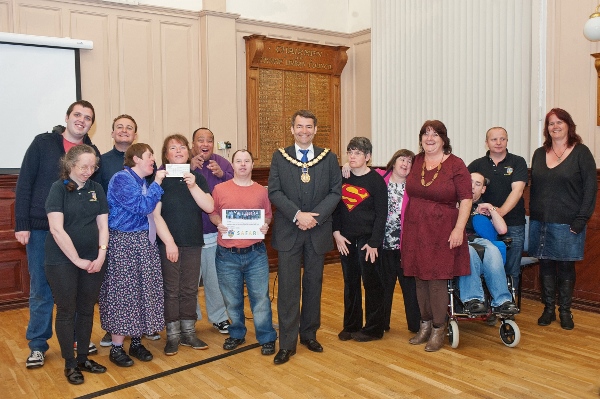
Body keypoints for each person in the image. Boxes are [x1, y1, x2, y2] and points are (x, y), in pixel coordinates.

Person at [15, 100, 100, 369]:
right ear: (67, 117)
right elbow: (25, 182)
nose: (82, 120)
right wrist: (22, 223)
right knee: (41, 289)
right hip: (42, 229)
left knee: (75, 292)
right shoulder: (43, 143)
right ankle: (38, 345)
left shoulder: (91, 151)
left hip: (79, 233)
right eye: (77, 114)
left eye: (87, 117)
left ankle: (76, 339)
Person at [268, 109, 342, 364]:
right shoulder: (280, 157)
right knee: (288, 288)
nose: (304, 131)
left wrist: (315, 217)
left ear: (315, 130)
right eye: (299, 126)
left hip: (317, 230)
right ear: (292, 129)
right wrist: (298, 215)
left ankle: (309, 334)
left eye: (308, 127)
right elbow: (275, 192)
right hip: (290, 230)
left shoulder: (328, 158)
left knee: (314, 285)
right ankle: (286, 343)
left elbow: (335, 192)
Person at [401, 120, 472, 352]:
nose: (429, 138)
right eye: (425, 134)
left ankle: (439, 329)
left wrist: (459, 229)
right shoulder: (417, 160)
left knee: (437, 280)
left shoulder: (456, 164)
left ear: (444, 138)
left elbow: (466, 199)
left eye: (435, 134)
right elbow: (392, 170)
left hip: (443, 230)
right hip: (415, 228)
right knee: (419, 278)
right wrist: (348, 169)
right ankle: (425, 324)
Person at [44, 145, 109, 385]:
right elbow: (56, 229)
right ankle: (70, 364)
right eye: (83, 166)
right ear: (71, 165)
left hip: (93, 260)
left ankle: (83, 358)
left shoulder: (97, 189)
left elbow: (103, 226)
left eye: (93, 167)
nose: (88, 171)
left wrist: (101, 256)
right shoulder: (57, 189)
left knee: (85, 309)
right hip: (62, 261)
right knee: (66, 310)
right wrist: (77, 260)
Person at [99, 143, 167, 367]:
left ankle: (136, 342)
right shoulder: (121, 179)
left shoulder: (141, 181)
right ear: (136, 158)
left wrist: (154, 184)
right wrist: (157, 182)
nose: (153, 160)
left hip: (143, 243)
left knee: (143, 291)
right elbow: (142, 207)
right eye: (150, 155)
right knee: (124, 294)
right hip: (124, 244)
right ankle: (117, 348)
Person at [529, 108, 597, 330]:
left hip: (569, 223)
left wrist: (581, 219)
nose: (555, 126)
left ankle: (565, 311)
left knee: (566, 267)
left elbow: (590, 189)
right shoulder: (539, 153)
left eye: (559, 122)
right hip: (541, 221)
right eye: (550, 123)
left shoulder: (581, 152)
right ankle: (548, 308)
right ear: (546, 128)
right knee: (546, 265)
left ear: (569, 125)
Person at [209, 149, 278, 355]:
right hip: (227, 254)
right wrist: (219, 223)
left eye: (246, 160)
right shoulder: (220, 189)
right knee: (232, 299)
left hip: (256, 253)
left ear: (252, 165)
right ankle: (237, 333)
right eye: (238, 161)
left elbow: (267, 215)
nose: (242, 164)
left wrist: (265, 225)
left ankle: (266, 336)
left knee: (261, 298)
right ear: (233, 165)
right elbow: (213, 213)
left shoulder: (262, 191)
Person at [153, 134, 214, 355]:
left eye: (181, 147)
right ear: (166, 155)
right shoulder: (158, 179)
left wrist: (193, 186)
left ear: (188, 152)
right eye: (172, 148)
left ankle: (189, 333)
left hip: (193, 241)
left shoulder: (197, 178)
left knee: (189, 289)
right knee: (171, 290)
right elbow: (155, 215)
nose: (178, 151)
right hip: (168, 243)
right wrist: (169, 242)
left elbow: (209, 206)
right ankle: (173, 336)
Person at [333, 137, 388, 342]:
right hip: (345, 239)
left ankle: (374, 328)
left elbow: (382, 214)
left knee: (372, 283)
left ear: (368, 157)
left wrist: (374, 242)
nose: (353, 156)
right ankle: (351, 324)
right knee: (350, 283)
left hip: (368, 241)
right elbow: (336, 208)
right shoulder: (342, 177)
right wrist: (336, 233)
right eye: (350, 152)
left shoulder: (376, 181)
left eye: (357, 153)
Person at [467, 127, 528, 291]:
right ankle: (491, 311)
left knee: (511, 270)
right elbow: (463, 190)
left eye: (502, 139)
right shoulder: (476, 165)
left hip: (513, 224)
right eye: (494, 139)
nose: (499, 142)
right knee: (490, 268)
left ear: (507, 141)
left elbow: (518, 190)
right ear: (486, 143)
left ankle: (508, 309)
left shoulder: (518, 162)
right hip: (484, 227)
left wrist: (498, 212)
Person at [190, 127, 233, 334]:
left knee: (214, 280)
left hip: (214, 234)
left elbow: (237, 188)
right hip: (188, 235)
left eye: (209, 140)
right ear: (193, 144)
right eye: (200, 140)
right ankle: (189, 318)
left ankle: (219, 317)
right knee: (189, 282)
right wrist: (188, 168)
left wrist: (223, 175)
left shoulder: (222, 164)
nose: (205, 144)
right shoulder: (182, 162)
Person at [458, 172, 519, 315]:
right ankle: (473, 299)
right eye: (469, 181)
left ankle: (502, 301)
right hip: (460, 241)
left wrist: (490, 208)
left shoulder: (484, 207)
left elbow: (502, 230)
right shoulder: (455, 203)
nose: (472, 186)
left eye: (477, 184)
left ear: (483, 189)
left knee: (492, 249)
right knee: (469, 251)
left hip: (480, 241)